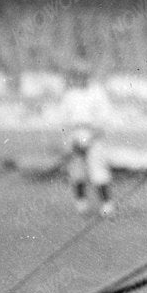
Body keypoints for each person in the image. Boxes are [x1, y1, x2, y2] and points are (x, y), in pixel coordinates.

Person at [59, 67, 114, 216]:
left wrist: (91, 138)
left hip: (93, 134)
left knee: (98, 171)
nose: (79, 77)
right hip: (75, 134)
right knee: (77, 172)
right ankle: (81, 204)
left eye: (82, 74)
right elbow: (64, 118)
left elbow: (105, 118)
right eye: (76, 75)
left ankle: (107, 204)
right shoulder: (69, 94)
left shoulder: (97, 93)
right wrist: (70, 140)